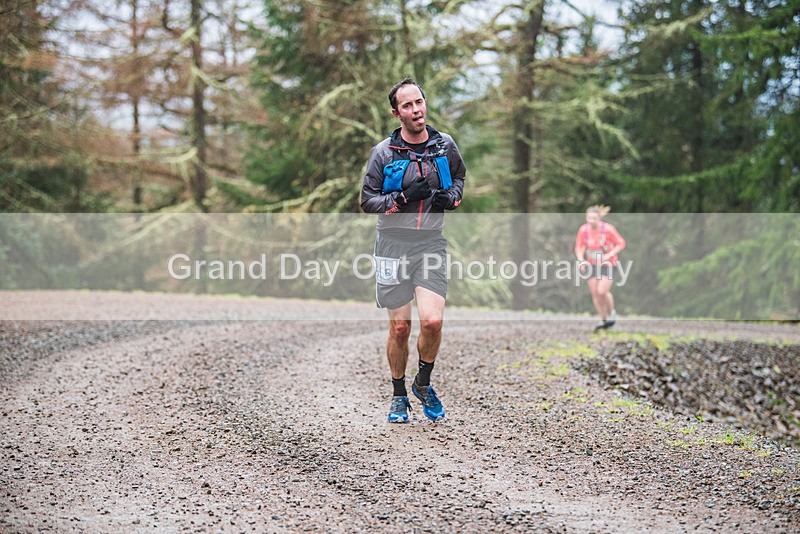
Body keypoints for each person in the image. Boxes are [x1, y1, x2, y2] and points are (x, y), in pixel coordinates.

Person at [360, 77, 466, 423]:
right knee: (401, 329)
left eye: (418, 102)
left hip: (430, 243)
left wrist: (451, 197)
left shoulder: (443, 145)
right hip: (393, 244)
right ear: (397, 113)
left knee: (433, 321)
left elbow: (460, 178)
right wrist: (403, 199)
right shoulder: (384, 153)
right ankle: (398, 394)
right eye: (407, 105)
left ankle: (423, 382)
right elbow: (367, 201)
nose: (416, 109)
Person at [574, 205, 626, 330]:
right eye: (589, 218)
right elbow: (578, 247)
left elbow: (621, 243)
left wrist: (609, 255)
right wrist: (581, 261)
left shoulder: (608, 229)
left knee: (602, 291)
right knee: (595, 294)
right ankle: (603, 319)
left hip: (607, 264)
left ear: (599, 218)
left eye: (594, 218)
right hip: (591, 264)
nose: (591, 220)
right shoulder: (583, 230)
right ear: (586, 217)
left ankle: (612, 312)